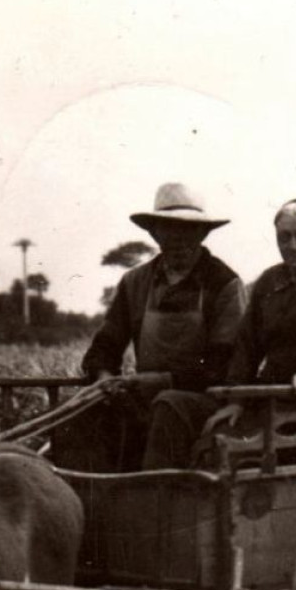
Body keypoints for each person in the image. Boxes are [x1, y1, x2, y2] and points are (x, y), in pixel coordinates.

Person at [147, 197, 296, 468]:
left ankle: (194, 503)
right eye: (284, 237)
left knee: (217, 445)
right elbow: (246, 348)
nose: (293, 245)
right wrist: (236, 400)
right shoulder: (269, 282)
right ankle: (158, 496)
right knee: (171, 404)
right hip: (266, 401)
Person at [55, 182, 246, 472]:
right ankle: (86, 498)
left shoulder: (224, 284)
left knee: (168, 405)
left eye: (188, 230)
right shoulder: (136, 282)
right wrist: (104, 378)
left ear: (202, 233)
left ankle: (154, 500)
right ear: (155, 233)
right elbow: (105, 346)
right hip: (146, 397)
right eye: (169, 229)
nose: (178, 239)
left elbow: (223, 364)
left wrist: (160, 381)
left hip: (202, 400)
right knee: (80, 410)